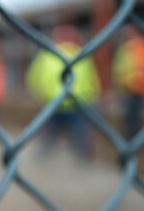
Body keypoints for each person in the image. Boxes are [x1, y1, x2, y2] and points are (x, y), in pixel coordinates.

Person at [26, 25, 100, 157]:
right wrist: (92, 96)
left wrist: (39, 94)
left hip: (53, 102)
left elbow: (33, 78)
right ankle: (81, 160)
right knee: (79, 136)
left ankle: (43, 159)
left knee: (49, 135)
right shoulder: (82, 54)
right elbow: (93, 80)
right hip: (77, 103)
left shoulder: (47, 54)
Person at [113, 26, 144, 140]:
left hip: (139, 87)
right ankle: (132, 137)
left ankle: (136, 137)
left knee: (135, 115)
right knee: (130, 116)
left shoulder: (141, 47)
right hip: (127, 88)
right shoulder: (124, 48)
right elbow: (119, 68)